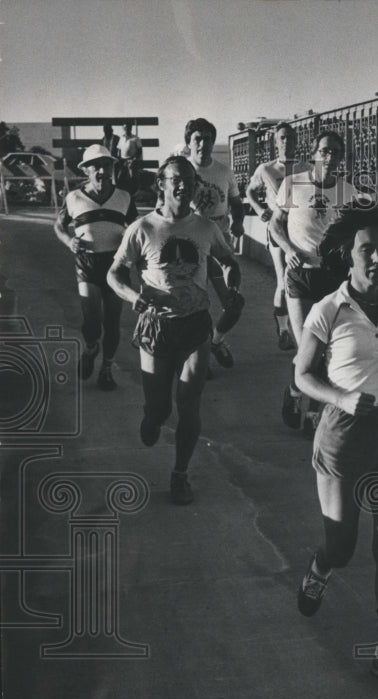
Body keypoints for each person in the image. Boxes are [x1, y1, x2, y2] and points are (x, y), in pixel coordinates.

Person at [293, 205, 378, 691]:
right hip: (343, 436)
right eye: (366, 249)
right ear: (347, 255)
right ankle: (320, 568)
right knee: (342, 548)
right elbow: (301, 375)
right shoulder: (328, 309)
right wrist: (342, 397)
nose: (376, 258)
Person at [107, 155, 241, 505]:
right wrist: (133, 297)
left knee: (189, 403)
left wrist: (231, 287)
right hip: (156, 328)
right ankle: (152, 418)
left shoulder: (206, 228)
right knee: (159, 408)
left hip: (196, 324)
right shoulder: (143, 228)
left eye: (189, 179)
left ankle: (180, 474)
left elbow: (228, 261)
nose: (183, 185)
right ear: (162, 184)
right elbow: (114, 274)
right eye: (175, 179)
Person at [270, 130, 359, 430]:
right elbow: (275, 224)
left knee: (329, 350)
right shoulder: (293, 184)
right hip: (300, 277)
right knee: (306, 348)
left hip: (333, 277)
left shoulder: (348, 192)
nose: (330, 157)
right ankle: (295, 391)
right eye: (324, 151)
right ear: (314, 153)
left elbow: (354, 234)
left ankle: (313, 413)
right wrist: (289, 250)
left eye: (335, 152)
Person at [54, 143, 138, 390]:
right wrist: (69, 240)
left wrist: (129, 242)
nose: (101, 171)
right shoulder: (74, 198)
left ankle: (107, 369)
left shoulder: (124, 197)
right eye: (95, 167)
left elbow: (137, 229)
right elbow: (59, 226)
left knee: (112, 321)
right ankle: (91, 347)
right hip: (87, 263)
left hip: (116, 265)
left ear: (112, 167)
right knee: (91, 317)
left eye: (105, 165)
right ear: (86, 171)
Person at [185, 117, 246, 370]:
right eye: (197, 139)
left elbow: (236, 203)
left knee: (233, 302)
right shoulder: (182, 170)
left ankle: (216, 342)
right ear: (189, 143)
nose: (202, 144)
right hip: (190, 246)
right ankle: (198, 358)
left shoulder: (224, 171)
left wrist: (238, 221)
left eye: (207, 139)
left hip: (219, 246)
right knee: (193, 307)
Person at [245, 122, 306, 351]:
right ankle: (283, 329)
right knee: (283, 281)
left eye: (290, 137)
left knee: (302, 278)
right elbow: (249, 191)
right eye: (282, 138)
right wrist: (261, 210)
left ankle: (303, 328)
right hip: (278, 230)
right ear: (275, 142)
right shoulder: (266, 169)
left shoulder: (306, 168)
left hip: (301, 230)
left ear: (297, 141)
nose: (286, 142)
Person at [117, 121, 144, 194]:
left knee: (132, 178)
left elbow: (139, 150)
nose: (127, 129)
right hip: (123, 161)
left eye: (128, 128)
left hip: (132, 161)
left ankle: (134, 193)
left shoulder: (135, 138)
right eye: (125, 128)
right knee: (120, 178)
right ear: (123, 129)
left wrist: (134, 159)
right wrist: (119, 159)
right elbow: (119, 149)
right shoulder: (121, 138)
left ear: (131, 128)